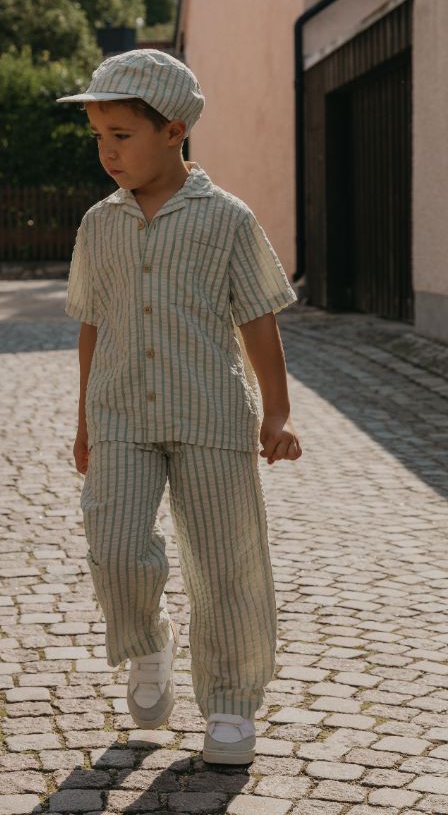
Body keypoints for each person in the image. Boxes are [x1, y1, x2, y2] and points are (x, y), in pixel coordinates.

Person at [56, 49, 302, 766]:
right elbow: (92, 323)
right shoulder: (98, 224)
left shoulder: (227, 218)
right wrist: (84, 422)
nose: (107, 151)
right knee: (114, 544)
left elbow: (259, 315)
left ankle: (228, 702)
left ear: (175, 130)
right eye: (98, 135)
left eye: (121, 135)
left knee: (228, 565)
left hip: (211, 414)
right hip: (122, 414)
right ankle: (149, 643)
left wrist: (276, 413)